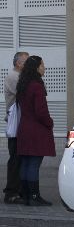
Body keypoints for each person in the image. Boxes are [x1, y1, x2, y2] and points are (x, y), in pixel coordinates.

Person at [16, 56, 55, 206]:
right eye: (42, 65)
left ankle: (26, 195)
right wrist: (50, 122)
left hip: (24, 128)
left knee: (25, 162)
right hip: (36, 130)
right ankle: (34, 196)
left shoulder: (23, 84)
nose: (44, 68)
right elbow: (41, 111)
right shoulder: (37, 86)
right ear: (37, 68)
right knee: (33, 164)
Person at [3, 51, 29, 204]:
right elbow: (24, 94)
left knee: (20, 158)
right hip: (16, 124)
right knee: (15, 159)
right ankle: (11, 192)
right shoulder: (13, 77)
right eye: (26, 62)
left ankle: (18, 190)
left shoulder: (19, 77)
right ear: (18, 63)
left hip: (21, 123)